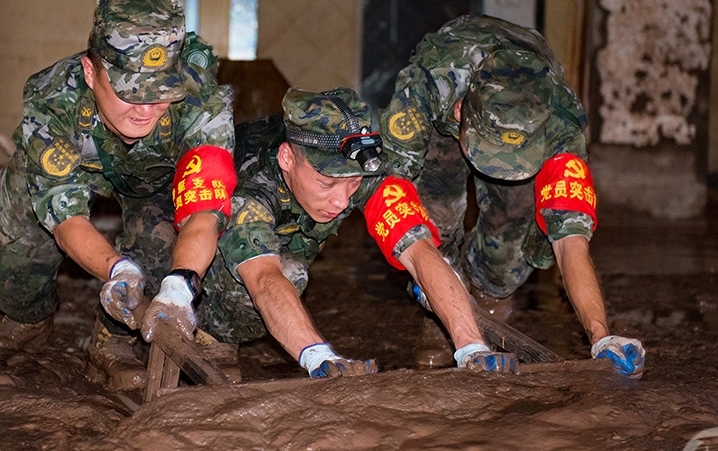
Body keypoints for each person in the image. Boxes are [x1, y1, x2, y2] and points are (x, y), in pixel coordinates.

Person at [107, 87, 517, 377]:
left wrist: (471, 346)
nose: (341, 200)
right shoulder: (252, 187)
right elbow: (264, 277)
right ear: (288, 158)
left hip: (281, 227)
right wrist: (318, 357)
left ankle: (216, 335)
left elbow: (421, 251)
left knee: (291, 271)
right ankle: (114, 336)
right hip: (172, 214)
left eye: (352, 185)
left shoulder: (364, 171)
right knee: (172, 270)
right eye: (326, 184)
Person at [0, 0, 237, 392]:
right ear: (91, 71)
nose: (144, 109)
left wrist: (180, 285)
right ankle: (28, 319)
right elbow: (65, 217)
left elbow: (204, 210)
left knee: (161, 250)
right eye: (129, 93)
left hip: (155, 179)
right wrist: (116, 270)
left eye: (158, 93)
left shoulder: (200, 101)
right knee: (16, 268)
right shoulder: (54, 101)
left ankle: (110, 341)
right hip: (77, 173)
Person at [381, 14, 645, 378]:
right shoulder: (424, 91)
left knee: (509, 246)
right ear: (461, 112)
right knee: (435, 220)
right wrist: (422, 261)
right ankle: (444, 321)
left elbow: (570, 242)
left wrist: (602, 335)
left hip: (523, 121)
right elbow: (393, 196)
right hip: (441, 123)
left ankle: (490, 307)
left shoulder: (559, 126)